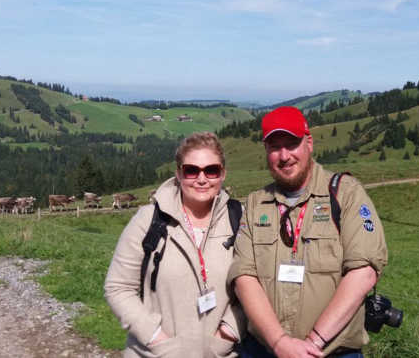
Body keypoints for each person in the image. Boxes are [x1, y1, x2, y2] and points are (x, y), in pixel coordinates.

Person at [229, 106, 388, 358]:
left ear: (309, 143)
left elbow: (364, 273)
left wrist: (312, 345)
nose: (284, 156)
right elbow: (244, 278)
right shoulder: (255, 204)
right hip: (264, 350)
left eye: (291, 144)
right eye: (274, 147)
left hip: (330, 352)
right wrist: (280, 343)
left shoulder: (345, 194)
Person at [105, 132, 245, 357]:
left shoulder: (238, 219)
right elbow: (118, 288)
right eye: (191, 170)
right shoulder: (148, 219)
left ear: (223, 174)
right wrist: (157, 339)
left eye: (211, 170)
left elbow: (258, 285)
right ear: (179, 174)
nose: (201, 179)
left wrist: (228, 334)